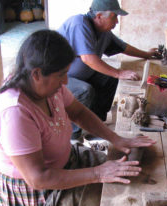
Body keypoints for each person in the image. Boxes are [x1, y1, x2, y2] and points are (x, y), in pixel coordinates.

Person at [0, 29, 155, 206]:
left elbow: (79, 113)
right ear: (36, 74)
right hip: (29, 188)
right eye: (61, 74)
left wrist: (117, 139)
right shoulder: (14, 112)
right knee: (105, 204)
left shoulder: (47, 89)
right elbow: (39, 178)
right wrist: (98, 173)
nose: (66, 81)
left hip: (62, 161)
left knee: (125, 172)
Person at [58, 0, 160, 139]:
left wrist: (146, 54)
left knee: (110, 78)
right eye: (114, 17)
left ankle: (96, 124)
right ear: (99, 16)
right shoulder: (79, 24)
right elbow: (88, 59)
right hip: (59, 79)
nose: (117, 22)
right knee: (85, 90)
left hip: (82, 75)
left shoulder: (103, 32)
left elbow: (124, 47)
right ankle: (72, 136)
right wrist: (119, 73)